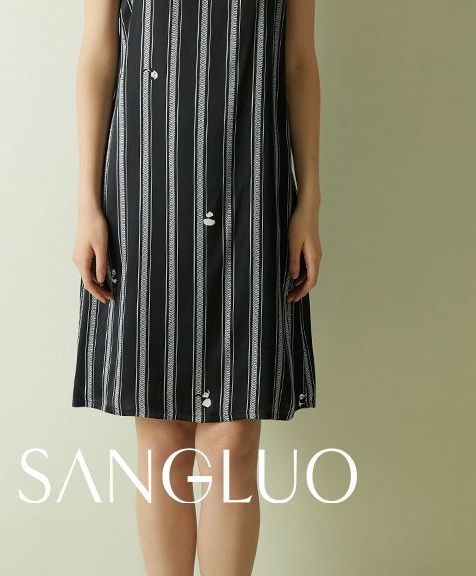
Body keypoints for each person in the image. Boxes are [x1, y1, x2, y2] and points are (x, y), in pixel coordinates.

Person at [71, 0, 321, 573]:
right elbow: (98, 55)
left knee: (234, 441)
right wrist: (87, 202)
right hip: (149, 189)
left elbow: (299, 61)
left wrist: (309, 199)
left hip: (252, 190)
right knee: (162, 436)